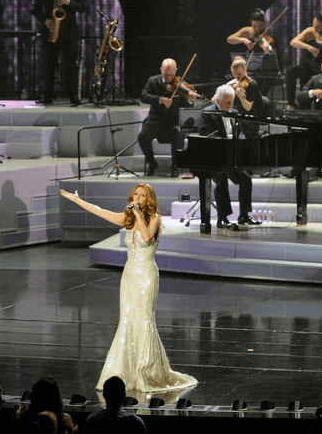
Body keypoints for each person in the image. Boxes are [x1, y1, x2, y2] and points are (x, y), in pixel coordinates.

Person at [59, 183, 198, 392]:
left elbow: (146, 237)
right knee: (127, 320)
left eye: (142, 196)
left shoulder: (154, 218)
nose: (138, 197)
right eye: (136, 194)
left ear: (148, 200)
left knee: (144, 320)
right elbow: (101, 212)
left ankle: (147, 371)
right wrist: (78, 201)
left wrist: (139, 215)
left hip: (147, 275)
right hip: (130, 275)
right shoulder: (128, 218)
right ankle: (128, 372)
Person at [198, 85, 261, 230]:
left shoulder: (234, 112)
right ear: (218, 102)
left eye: (232, 102)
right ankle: (223, 218)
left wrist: (242, 142)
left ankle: (244, 215)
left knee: (246, 178)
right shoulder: (207, 113)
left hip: (231, 158)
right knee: (221, 179)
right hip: (214, 158)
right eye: (227, 102)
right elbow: (205, 134)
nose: (231, 105)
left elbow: (239, 132)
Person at [138, 58, 198, 177]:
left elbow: (185, 106)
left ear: (176, 71)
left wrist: (190, 100)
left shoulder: (181, 84)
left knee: (178, 133)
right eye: (166, 75)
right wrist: (160, 99)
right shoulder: (153, 81)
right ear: (161, 69)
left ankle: (175, 165)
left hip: (173, 122)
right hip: (155, 120)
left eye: (172, 75)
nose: (169, 78)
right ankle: (152, 162)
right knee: (142, 137)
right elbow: (143, 96)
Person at [32, 0, 87, 105]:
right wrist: (45, 20)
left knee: (70, 65)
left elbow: (83, 8)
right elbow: (35, 9)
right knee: (48, 66)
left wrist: (68, 2)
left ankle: (73, 96)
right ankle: (47, 96)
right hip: (50, 31)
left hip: (69, 33)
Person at [224, 56, 264, 138]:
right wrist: (227, 86)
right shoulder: (235, 84)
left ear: (245, 70)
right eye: (234, 75)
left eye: (239, 74)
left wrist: (241, 97)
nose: (236, 78)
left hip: (249, 122)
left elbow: (248, 108)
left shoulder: (252, 85)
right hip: (237, 120)